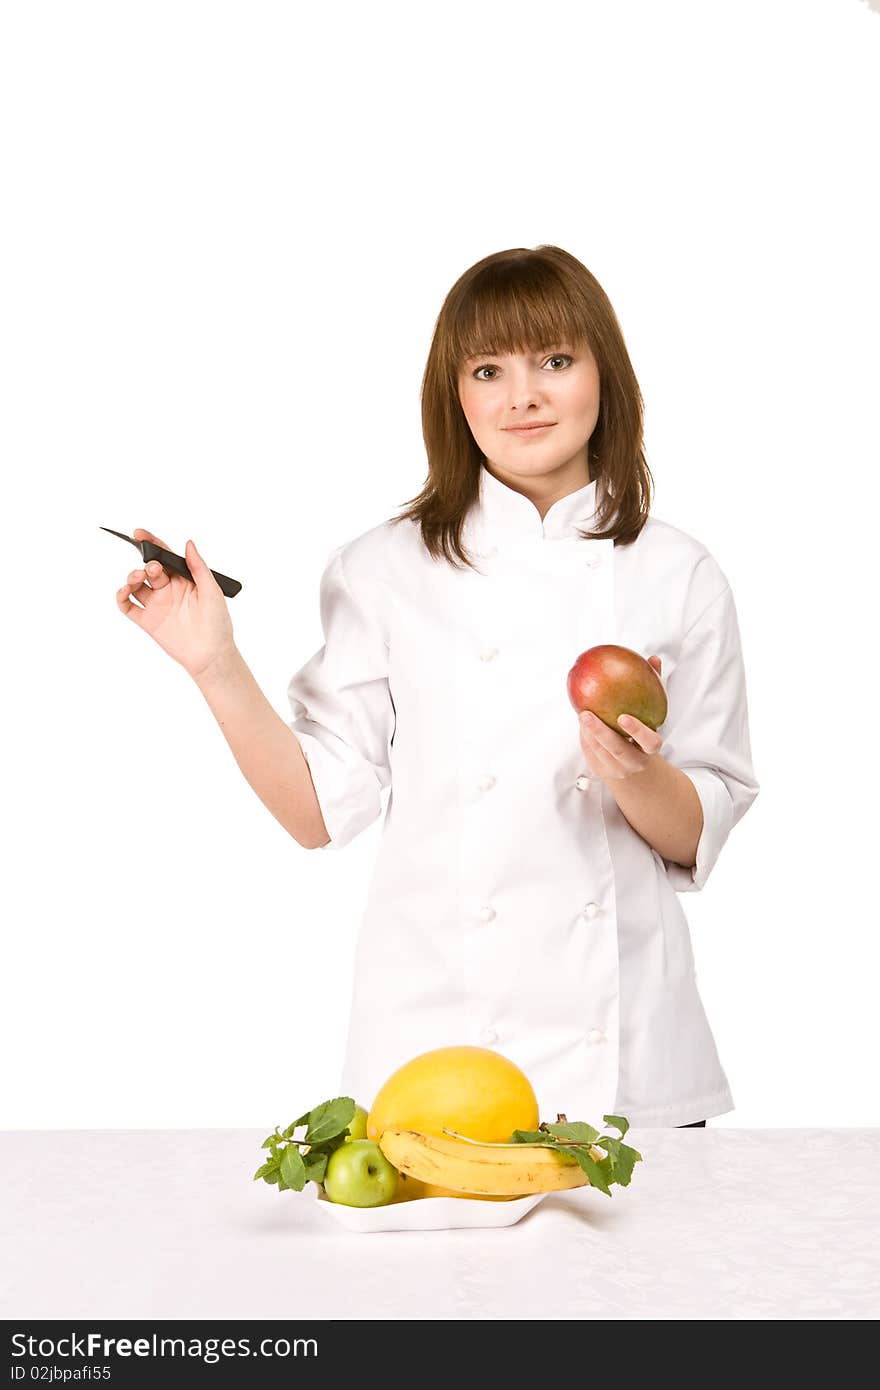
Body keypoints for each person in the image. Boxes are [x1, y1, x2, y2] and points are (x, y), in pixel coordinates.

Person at [115, 245, 759, 1129]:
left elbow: (699, 828)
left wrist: (632, 773)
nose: (523, 396)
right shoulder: (382, 570)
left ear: (605, 375)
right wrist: (215, 665)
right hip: (435, 1038)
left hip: (631, 1062)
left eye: (556, 362)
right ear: (453, 395)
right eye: (488, 369)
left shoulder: (678, 573)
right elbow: (316, 815)